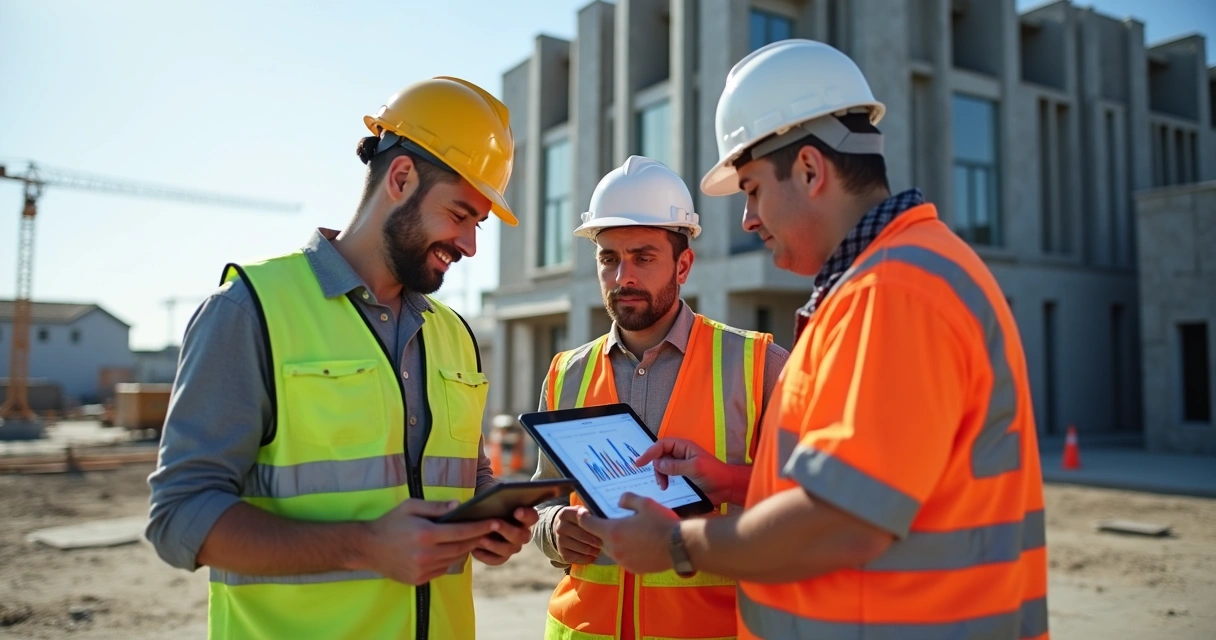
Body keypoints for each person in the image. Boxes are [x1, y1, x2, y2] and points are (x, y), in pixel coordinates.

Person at [574, 40, 1050, 640]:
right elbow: (877, 486)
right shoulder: (889, 280)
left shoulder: (893, 293)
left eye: (750, 189)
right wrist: (735, 481)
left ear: (809, 170)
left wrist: (674, 543)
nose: (748, 219)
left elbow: (842, 523)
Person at [145, 76, 539, 639]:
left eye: (477, 223)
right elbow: (178, 518)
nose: (471, 245)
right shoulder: (250, 310)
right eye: (459, 214)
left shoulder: (454, 335)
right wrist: (363, 547)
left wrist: (488, 522)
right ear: (401, 178)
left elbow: (466, 479)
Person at [530, 156, 790, 640]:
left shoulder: (760, 365)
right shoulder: (566, 373)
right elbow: (543, 498)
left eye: (643, 257)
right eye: (608, 258)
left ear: (684, 264)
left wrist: (730, 481)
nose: (622, 276)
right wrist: (553, 530)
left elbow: (807, 502)